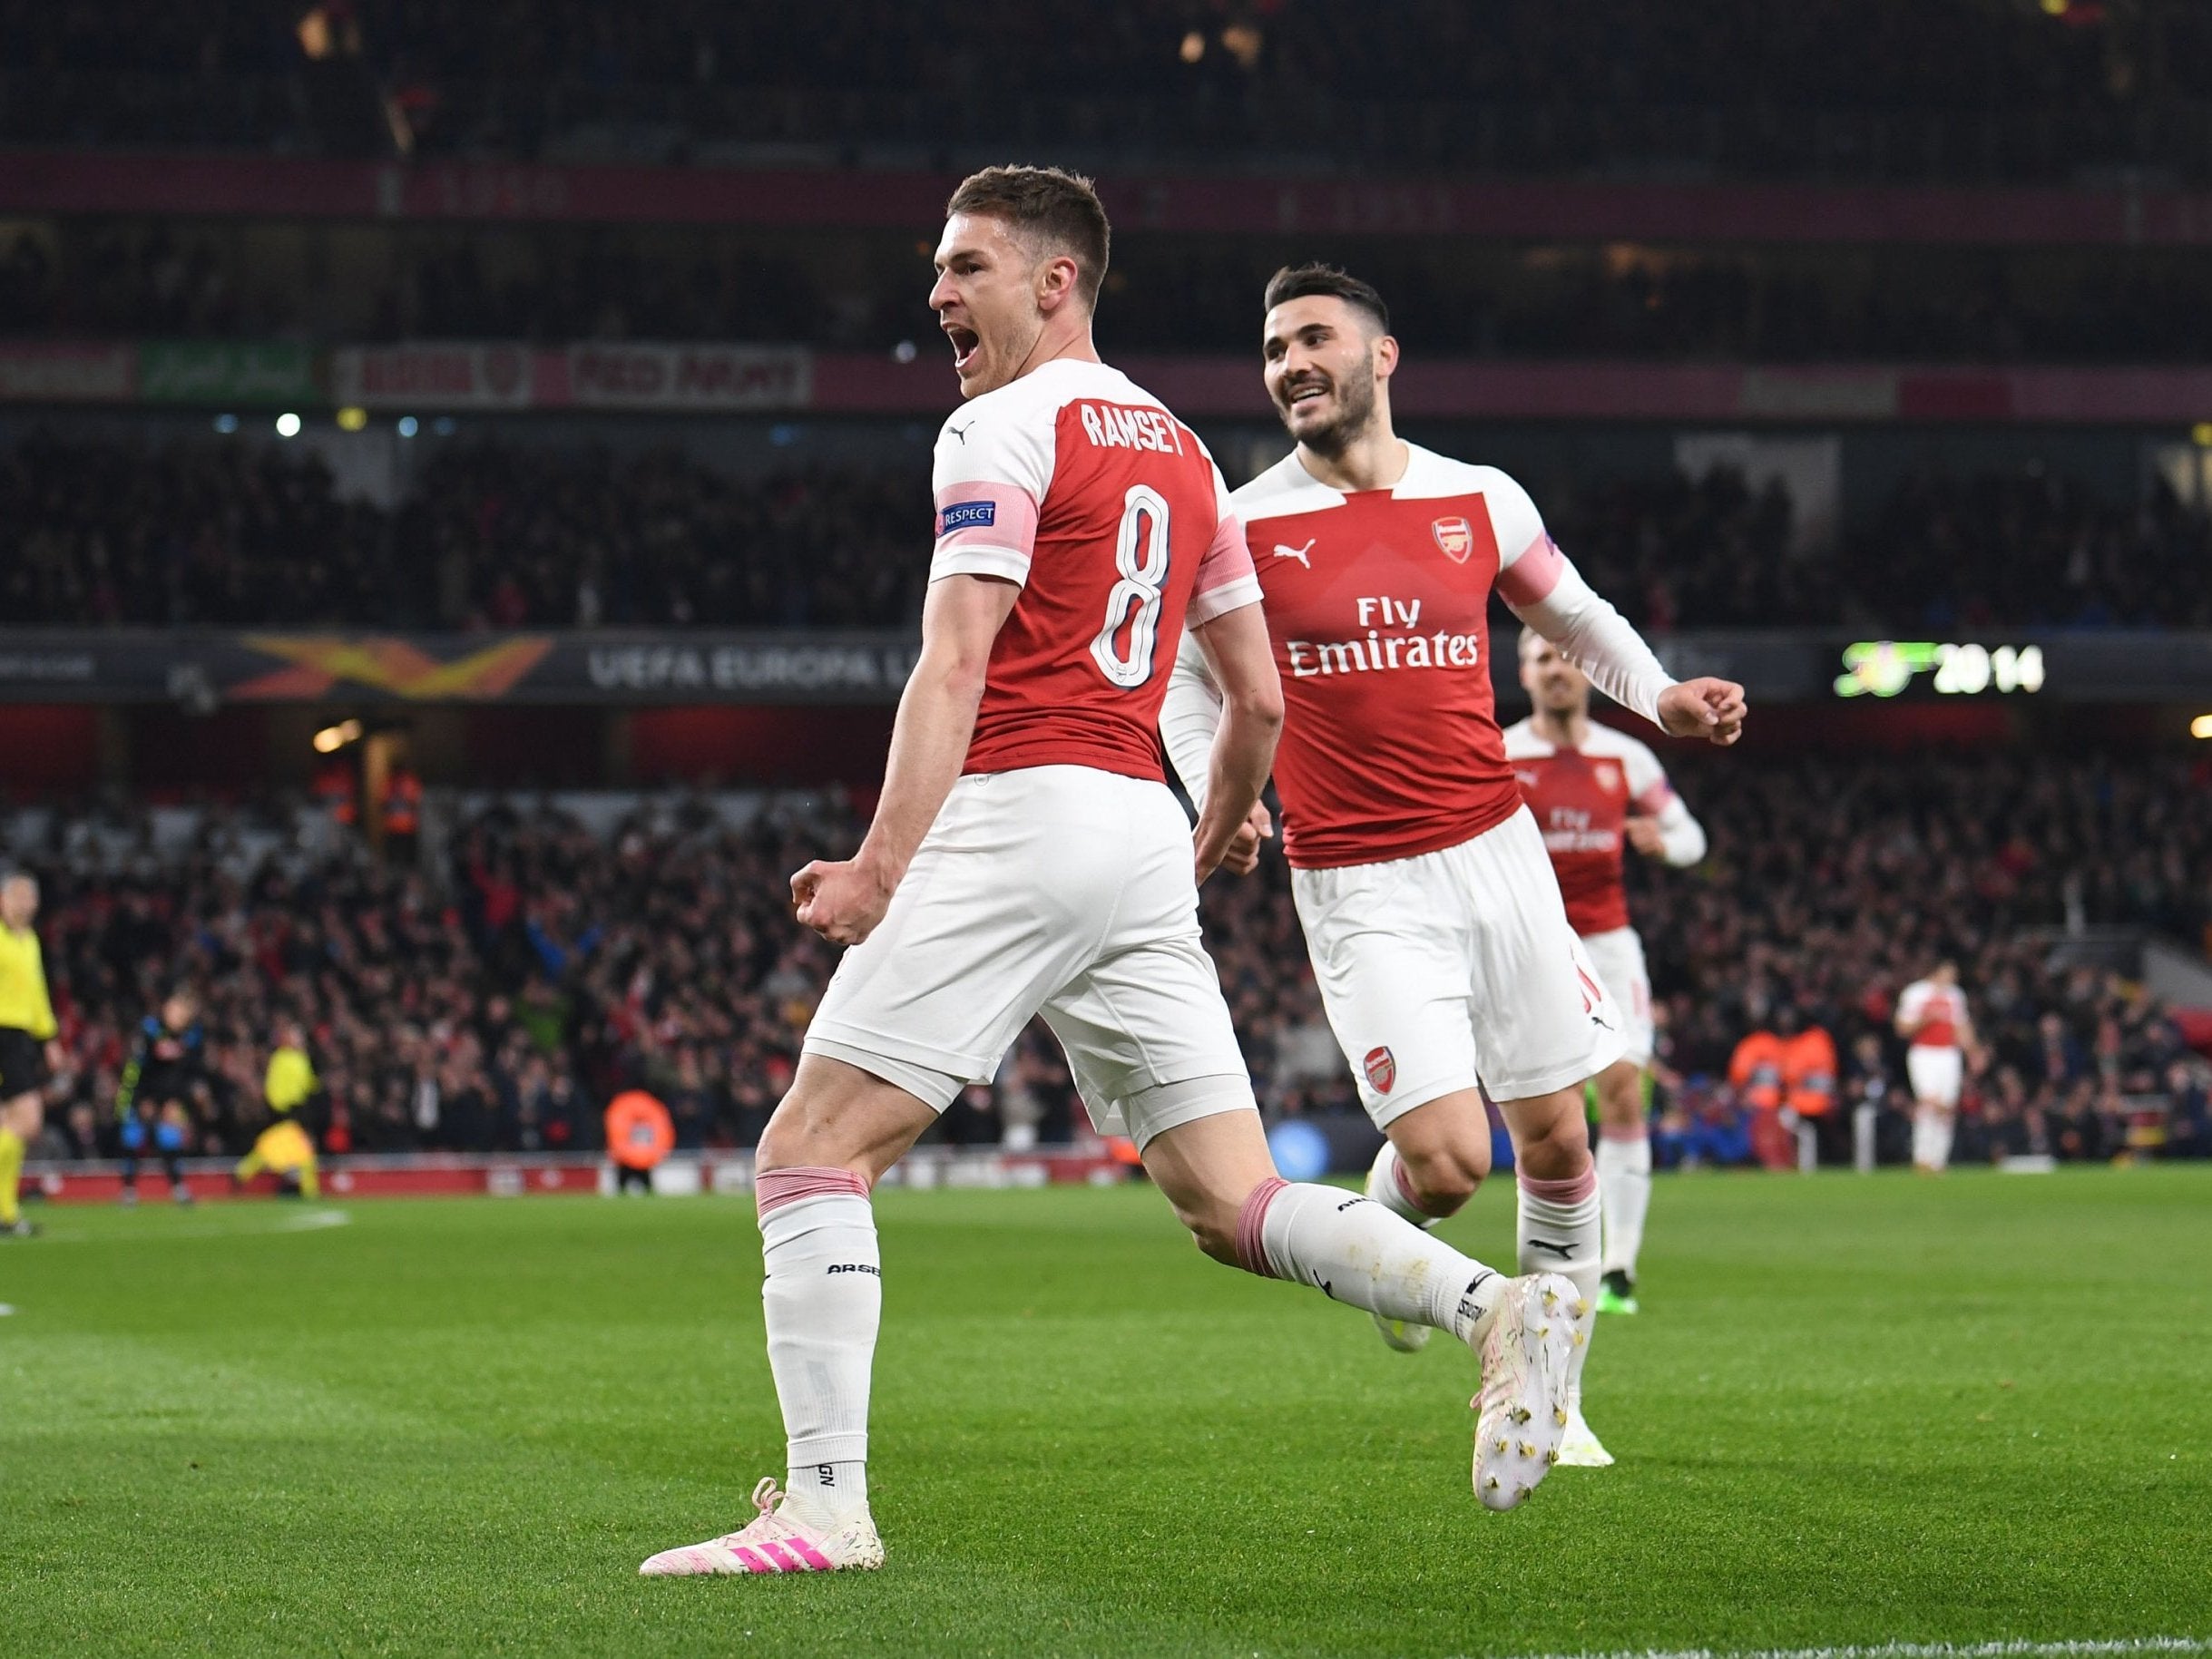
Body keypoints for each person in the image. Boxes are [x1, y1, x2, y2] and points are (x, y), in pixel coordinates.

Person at [640, 171, 1585, 1580]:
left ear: (1054, 280)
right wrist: (1217, 824)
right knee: (1231, 1200)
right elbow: (1254, 697)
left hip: (1020, 809)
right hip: (1136, 829)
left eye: (965, 268)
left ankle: (826, 1508)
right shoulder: (1192, 456)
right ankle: (1494, 1309)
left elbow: (952, 661)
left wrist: (876, 867)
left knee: (810, 1153)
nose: (937, 295)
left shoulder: (999, 428)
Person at [1160, 264, 1746, 1470]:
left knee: (1558, 1142)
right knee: (1447, 1165)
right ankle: (1384, 1235)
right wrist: (1219, 789)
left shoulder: (1478, 497)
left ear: (1383, 356)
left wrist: (1662, 701)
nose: (1289, 364)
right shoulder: (1242, 520)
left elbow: (1574, 618)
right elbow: (1185, 681)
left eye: (1313, 338)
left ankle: (1555, 1397)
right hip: (1360, 881)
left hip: (1499, 857)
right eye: (1272, 349)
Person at [1503, 630, 1709, 1316]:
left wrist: (1664, 841)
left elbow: (1691, 835)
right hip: (1528, 942)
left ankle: (1619, 1263)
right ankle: (1550, 1245)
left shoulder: (1626, 756)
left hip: (1608, 942)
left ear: (1586, 672)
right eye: (1541, 661)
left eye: (1564, 659)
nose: (1555, 671)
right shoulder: (1502, 753)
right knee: (1540, 1104)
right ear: (1524, 675)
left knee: (1625, 1088)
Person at [0, 873, 61, 1238]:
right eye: (18, 896)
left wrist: (49, 1038)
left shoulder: (29, 940)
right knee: (28, 1121)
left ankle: (6, 1212)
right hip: (2, 1033)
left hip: (21, 1037)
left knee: (11, 1126)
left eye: (30, 898)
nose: (25, 903)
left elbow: (37, 993)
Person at [115, 989, 205, 1205]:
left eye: (182, 1013)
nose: (176, 1015)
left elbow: (188, 1069)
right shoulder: (150, 1028)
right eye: (174, 1009)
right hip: (140, 1091)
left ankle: (178, 1188)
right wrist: (141, 1099)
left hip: (170, 1095)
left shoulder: (193, 1035)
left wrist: (180, 1099)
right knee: (133, 1137)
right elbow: (142, 1062)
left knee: (169, 1138)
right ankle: (128, 1190)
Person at [1896, 960, 1976, 1174]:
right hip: (1924, 1053)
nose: (1951, 979)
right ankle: (1922, 1157)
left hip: (1949, 1054)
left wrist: (1973, 1052)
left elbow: (1961, 1025)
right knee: (1930, 1102)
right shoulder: (1915, 993)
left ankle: (1939, 1160)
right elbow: (1902, 1028)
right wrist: (1927, 1019)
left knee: (1947, 1107)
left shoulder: (1955, 995)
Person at [233, 1021, 321, 1198]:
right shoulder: (283, 1058)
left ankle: (242, 1172)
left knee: (277, 1147)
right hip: (287, 1110)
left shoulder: (296, 1058)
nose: (299, 1039)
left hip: (296, 1111)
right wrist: (280, 1106)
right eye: (296, 1036)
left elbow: (308, 1084)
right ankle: (309, 1192)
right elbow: (281, 1087)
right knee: (301, 1152)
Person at [604, 1088, 674, 1195]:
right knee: (637, 1188)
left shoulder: (633, 1118)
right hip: (628, 1158)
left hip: (639, 1158)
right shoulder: (634, 1119)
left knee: (627, 1188)